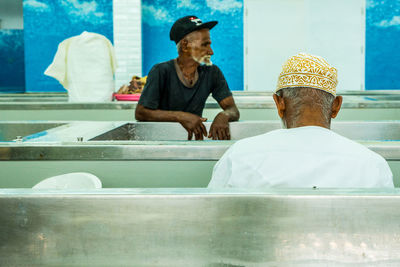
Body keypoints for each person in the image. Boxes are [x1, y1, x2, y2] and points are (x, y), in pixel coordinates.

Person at [208, 53, 394, 188]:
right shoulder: (371, 164)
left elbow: (212, 217)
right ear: (336, 106)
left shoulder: (240, 156)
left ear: (279, 103)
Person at [135, 16, 240, 140]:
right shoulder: (161, 71)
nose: (211, 51)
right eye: (205, 45)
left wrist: (223, 115)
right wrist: (181, 116)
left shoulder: (212, 72)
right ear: (185, 46)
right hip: (161, 141)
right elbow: (141, 112)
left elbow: (232, 109)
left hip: (194, 142)